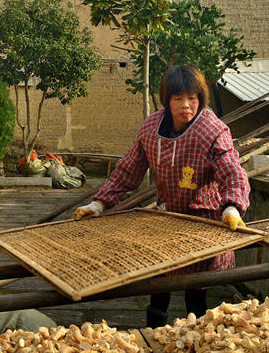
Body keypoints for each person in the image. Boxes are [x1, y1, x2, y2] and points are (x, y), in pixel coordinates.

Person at [73, 65, 250, 326]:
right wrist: (99, 203)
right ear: (167, 100)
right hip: (167, 218)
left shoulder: (212, 131)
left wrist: (232, 206)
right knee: (159, 282)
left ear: (200, 99)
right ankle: (153, 333)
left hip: (203, 221)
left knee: (195, 292)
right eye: (178, 99)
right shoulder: (151, 128)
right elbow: (128, 170)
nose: (186, 105)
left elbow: (231, 169)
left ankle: (195, 337)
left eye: (192, 98)